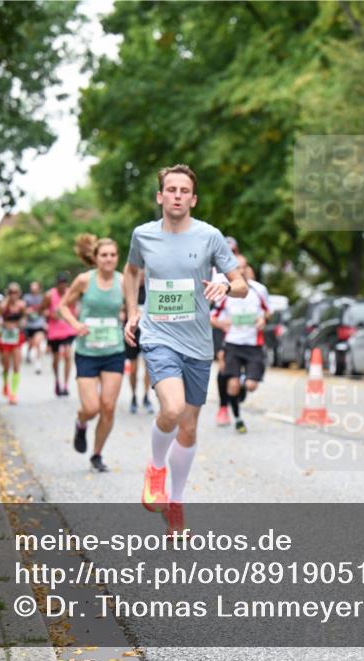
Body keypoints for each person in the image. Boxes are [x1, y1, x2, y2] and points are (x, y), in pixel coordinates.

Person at [123, 164, 247, 536]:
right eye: (171, 190)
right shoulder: (143, 235)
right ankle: (156, 467)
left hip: (197, 343)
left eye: (184, 191)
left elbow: (241, 283)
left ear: (193, 199)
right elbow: (131, 272)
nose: (177, 196)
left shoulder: (210, 237)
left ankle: (176, 504)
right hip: (158, 336)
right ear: (160, 196)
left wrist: (226, 287)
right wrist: (132, 312)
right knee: (173, 409)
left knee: (189, 429)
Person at [59, 234, 126, 473]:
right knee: (91, 408)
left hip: (114, 350)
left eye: (113, 255)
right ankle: (81, 423)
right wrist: (76, 324)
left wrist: (130, 320)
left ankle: (97, 454)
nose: (109, 259)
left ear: (117, 258)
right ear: (95, 258)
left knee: (108, 406)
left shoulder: (123, 281)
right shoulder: (84, 280)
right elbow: (62, 306)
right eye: (104, 255)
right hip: (87, 351)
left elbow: (133, 309)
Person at [210, 254, 269, 434]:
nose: (241, 271)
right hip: (233, 344)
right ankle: (237, 419)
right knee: (232, 384)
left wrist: (262, 320)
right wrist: (222, 324)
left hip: (253, 344)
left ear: (247, 268)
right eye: (237, 267)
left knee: (251, 385)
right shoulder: (225, 292)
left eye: (243, 267)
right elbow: (212, 317)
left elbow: (268, 312)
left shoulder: (259, 290)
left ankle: (244, 382)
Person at [213, 235, 240, 426]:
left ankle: (236, 394)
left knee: (236, 373)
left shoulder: (240, 270)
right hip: (220, 326)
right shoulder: (212, 271)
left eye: (233, 251)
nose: (229, 254)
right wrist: (218, 322)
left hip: (241, 329)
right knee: (223, 364)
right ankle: (223, 407)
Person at [41, 272, 77, 396]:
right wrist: (50, 314)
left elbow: (74, 309)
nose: (62, 286)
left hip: (68, 329)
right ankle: (57, 381)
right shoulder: (49, 295)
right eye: (60, 283)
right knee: (56, 358)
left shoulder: (71, 293)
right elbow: (42, 310)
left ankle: (66, 385)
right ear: (57, 284)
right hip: (54, 331)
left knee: (67, 354)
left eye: (64, 283)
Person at [124, 284, 154, 414]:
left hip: (149, 333)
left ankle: (146, 396)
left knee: (148, 367)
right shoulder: (130, 288)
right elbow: (122, 308)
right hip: (133, 333)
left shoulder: (151, 288)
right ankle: (134, 396)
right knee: (133, 369)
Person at [0, 283, 26, 405]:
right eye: (11, 292)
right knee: (6, 365)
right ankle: (5, 384)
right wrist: (2, 324)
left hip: (16, 336)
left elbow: (23, 318)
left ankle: (13, 394)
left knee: (17, 365)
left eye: (16, 292)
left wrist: (21, 323)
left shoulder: (21, 305)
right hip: (5, 337)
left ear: (19, 293)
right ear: (8, 293)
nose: (13, 295)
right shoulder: (3, 305)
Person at [23, 281, 48, 375]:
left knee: (37, 343)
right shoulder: (26, 298)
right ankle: (28, 353)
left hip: (39, 324)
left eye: (35, 287)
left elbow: (46, 310)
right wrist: (26, 312)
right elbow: (22, 309)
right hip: (29, 325)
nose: (34, 288)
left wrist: (45, 319)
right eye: (32, 287)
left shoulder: (42, 298)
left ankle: (37, 363)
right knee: (31, 343)